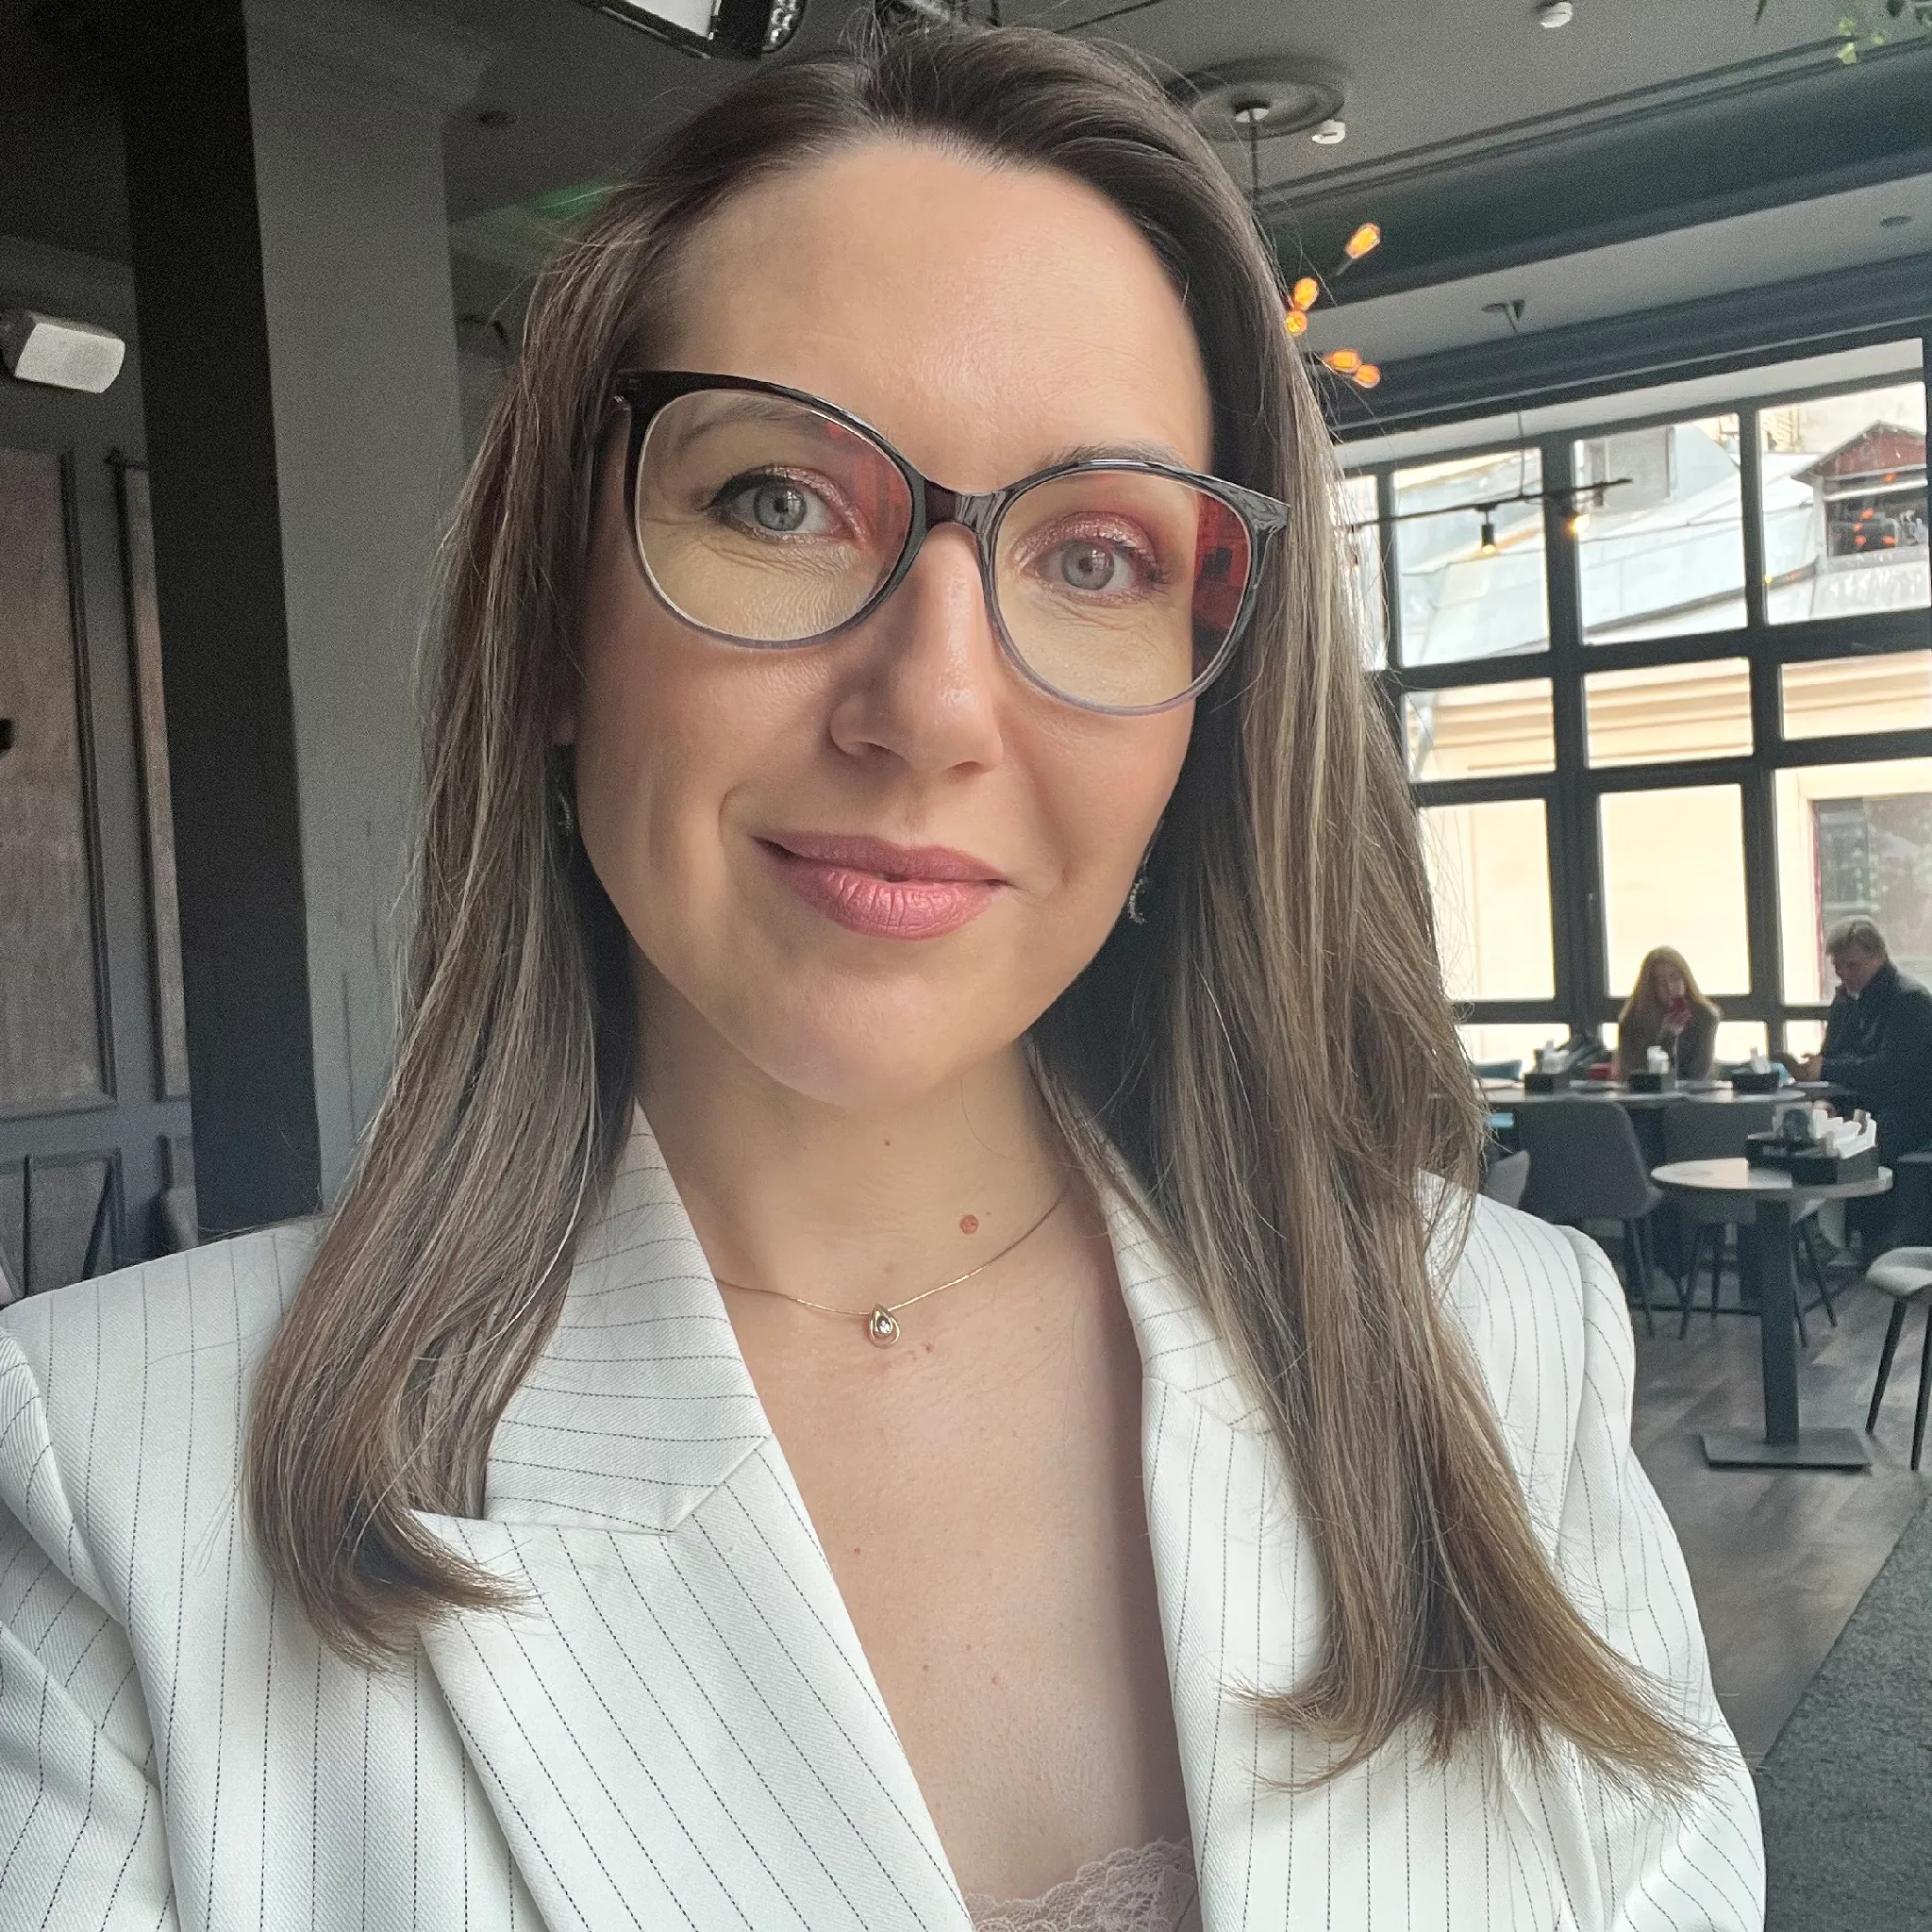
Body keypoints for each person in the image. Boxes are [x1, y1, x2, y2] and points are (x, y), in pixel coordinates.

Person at [0, 24, 1761, 1930]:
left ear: (1208, 702)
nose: (929, 707)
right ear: (561, 625)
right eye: (775, 500)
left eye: (1096, 554)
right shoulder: (111, 1486)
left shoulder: (1503, 1348)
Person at [1803, 914, 1932, 1177]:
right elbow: (1833, 1055)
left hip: (1905, 1116)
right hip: (1862, 1109)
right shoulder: (1846, 1001)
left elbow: (1891, 1072)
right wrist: (1825, 1099)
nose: (1844, 974)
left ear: (1879, 957)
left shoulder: (1910, 1002)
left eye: (1853, 966)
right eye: (1838, 967)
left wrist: (1825, 1071)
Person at [1613, 946, 1722, 1080]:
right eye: (1660, 982)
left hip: (1695, 1091)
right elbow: (1634, 1074)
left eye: (1675, 978)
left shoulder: (1704, 1016)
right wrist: (1667, 1038)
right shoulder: (1633, 1020)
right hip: (1646, 1090)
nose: (1669, 987)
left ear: (1686, 980)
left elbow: (1697, 1075)